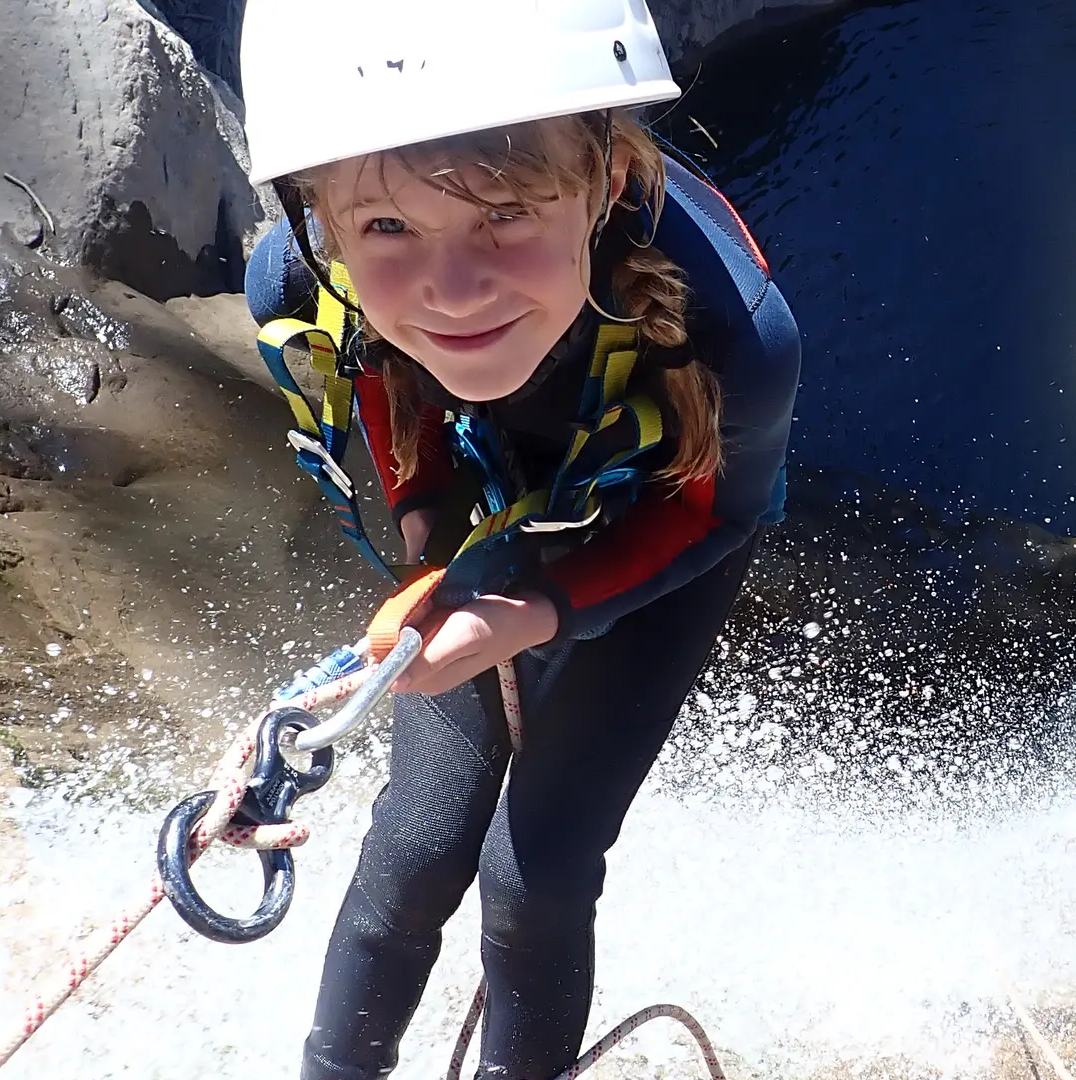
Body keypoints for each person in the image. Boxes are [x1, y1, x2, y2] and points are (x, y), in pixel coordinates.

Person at [235, 2, 801, 1077]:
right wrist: (437, 569)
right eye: (388, 230)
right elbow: (403, 435)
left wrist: (536, 610)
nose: (452, 291)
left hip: (656, 527)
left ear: (601, 180)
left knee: (534, 869)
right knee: (412, 847)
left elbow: (710, 511)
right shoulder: (302, 282)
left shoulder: (736, 329)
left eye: (503, 214)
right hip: (479, 522)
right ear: (319, 218)